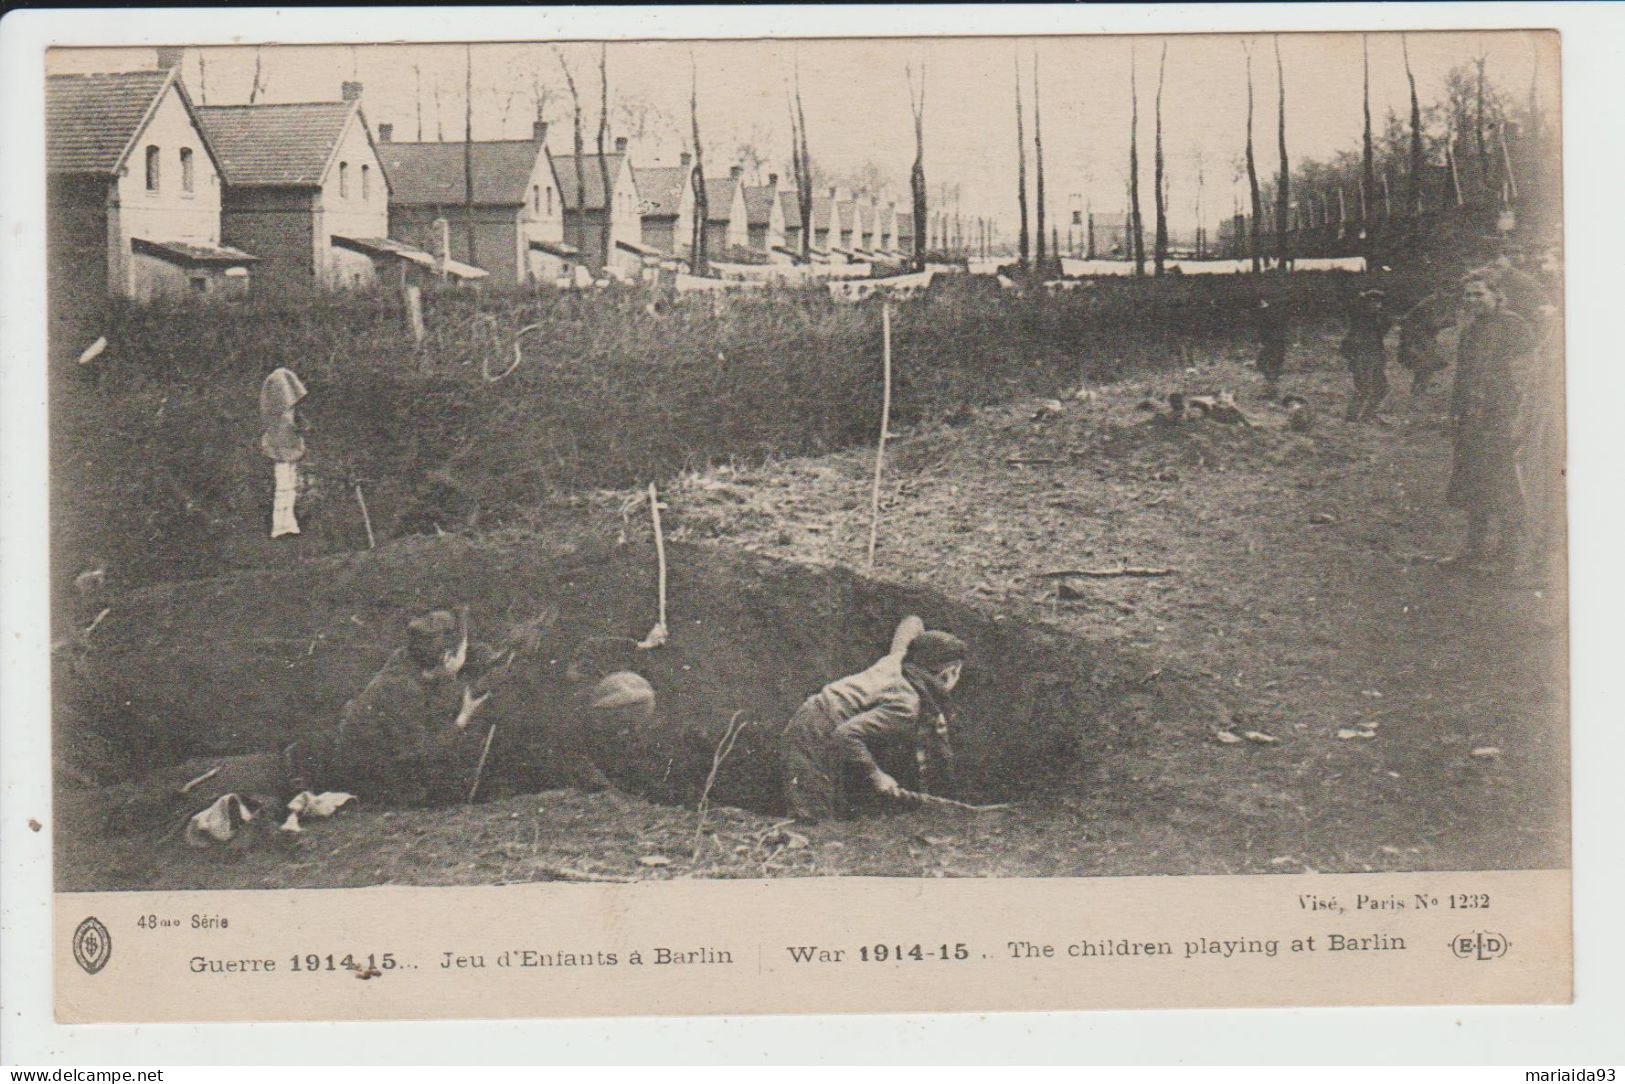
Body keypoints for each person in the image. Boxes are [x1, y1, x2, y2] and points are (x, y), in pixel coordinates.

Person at [780, 617, 966, 823]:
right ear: (950, 673)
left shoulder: (900, 659)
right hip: (816, 733)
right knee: (813, 815)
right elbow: (846, 735)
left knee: (831, 802)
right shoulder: (906, 706)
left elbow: (911, 622)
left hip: (814, 716)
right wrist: (877, 776)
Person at [330, 608, 509, 805]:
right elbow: (420, 754)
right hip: (377, 784)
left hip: (372, 765)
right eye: (463, 650)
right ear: (447, 657)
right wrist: (463, 718)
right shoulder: (403, 688)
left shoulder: (406, 659)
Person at [1444, 275, 1535, 572]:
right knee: (1473, 483)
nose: (1473, 300)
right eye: (1468, 295)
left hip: (1501, 418)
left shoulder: (1514, 325)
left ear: (1496, 294)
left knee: (1504, 484)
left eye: (1479, 294)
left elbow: (1524, 375)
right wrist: (1456, 410)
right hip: (1473, 418)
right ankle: (1473, 551)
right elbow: (1463, 374)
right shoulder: (1471, 329)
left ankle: (1507, 557)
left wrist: (1519, 417)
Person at [1339, 289, 1395, 422]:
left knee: (1382, 388)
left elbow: (1380, 333)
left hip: (1375, 355)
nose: (1377, 305)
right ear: (1367, 303)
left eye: (1379, 302)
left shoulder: (1376, 317)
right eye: (1374, 302)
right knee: (1363, 388)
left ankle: (1367, 415)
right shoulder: (1361, 317)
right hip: (1361, 356)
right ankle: (1351, 418)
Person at [1396, 292, 1457, 396]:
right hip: (1419, 339)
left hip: (1424, 339)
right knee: (1425, 365)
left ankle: (1419, 390)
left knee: (1426, 365)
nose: (1448, 295)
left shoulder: (1435, 302)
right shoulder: (1429, 303)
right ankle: (1418, 391)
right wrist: (1447, 322)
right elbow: (1430, 323)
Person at [1252, 295, 1290, 395]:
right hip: (1273, 342)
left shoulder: (1269, 316)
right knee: (1265, 364)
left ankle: (1272, 386)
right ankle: (1271, 383)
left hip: (1273, 343)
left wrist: (1265, 343)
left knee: (1265, 363)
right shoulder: (1268, 315)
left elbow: (1269, 330)